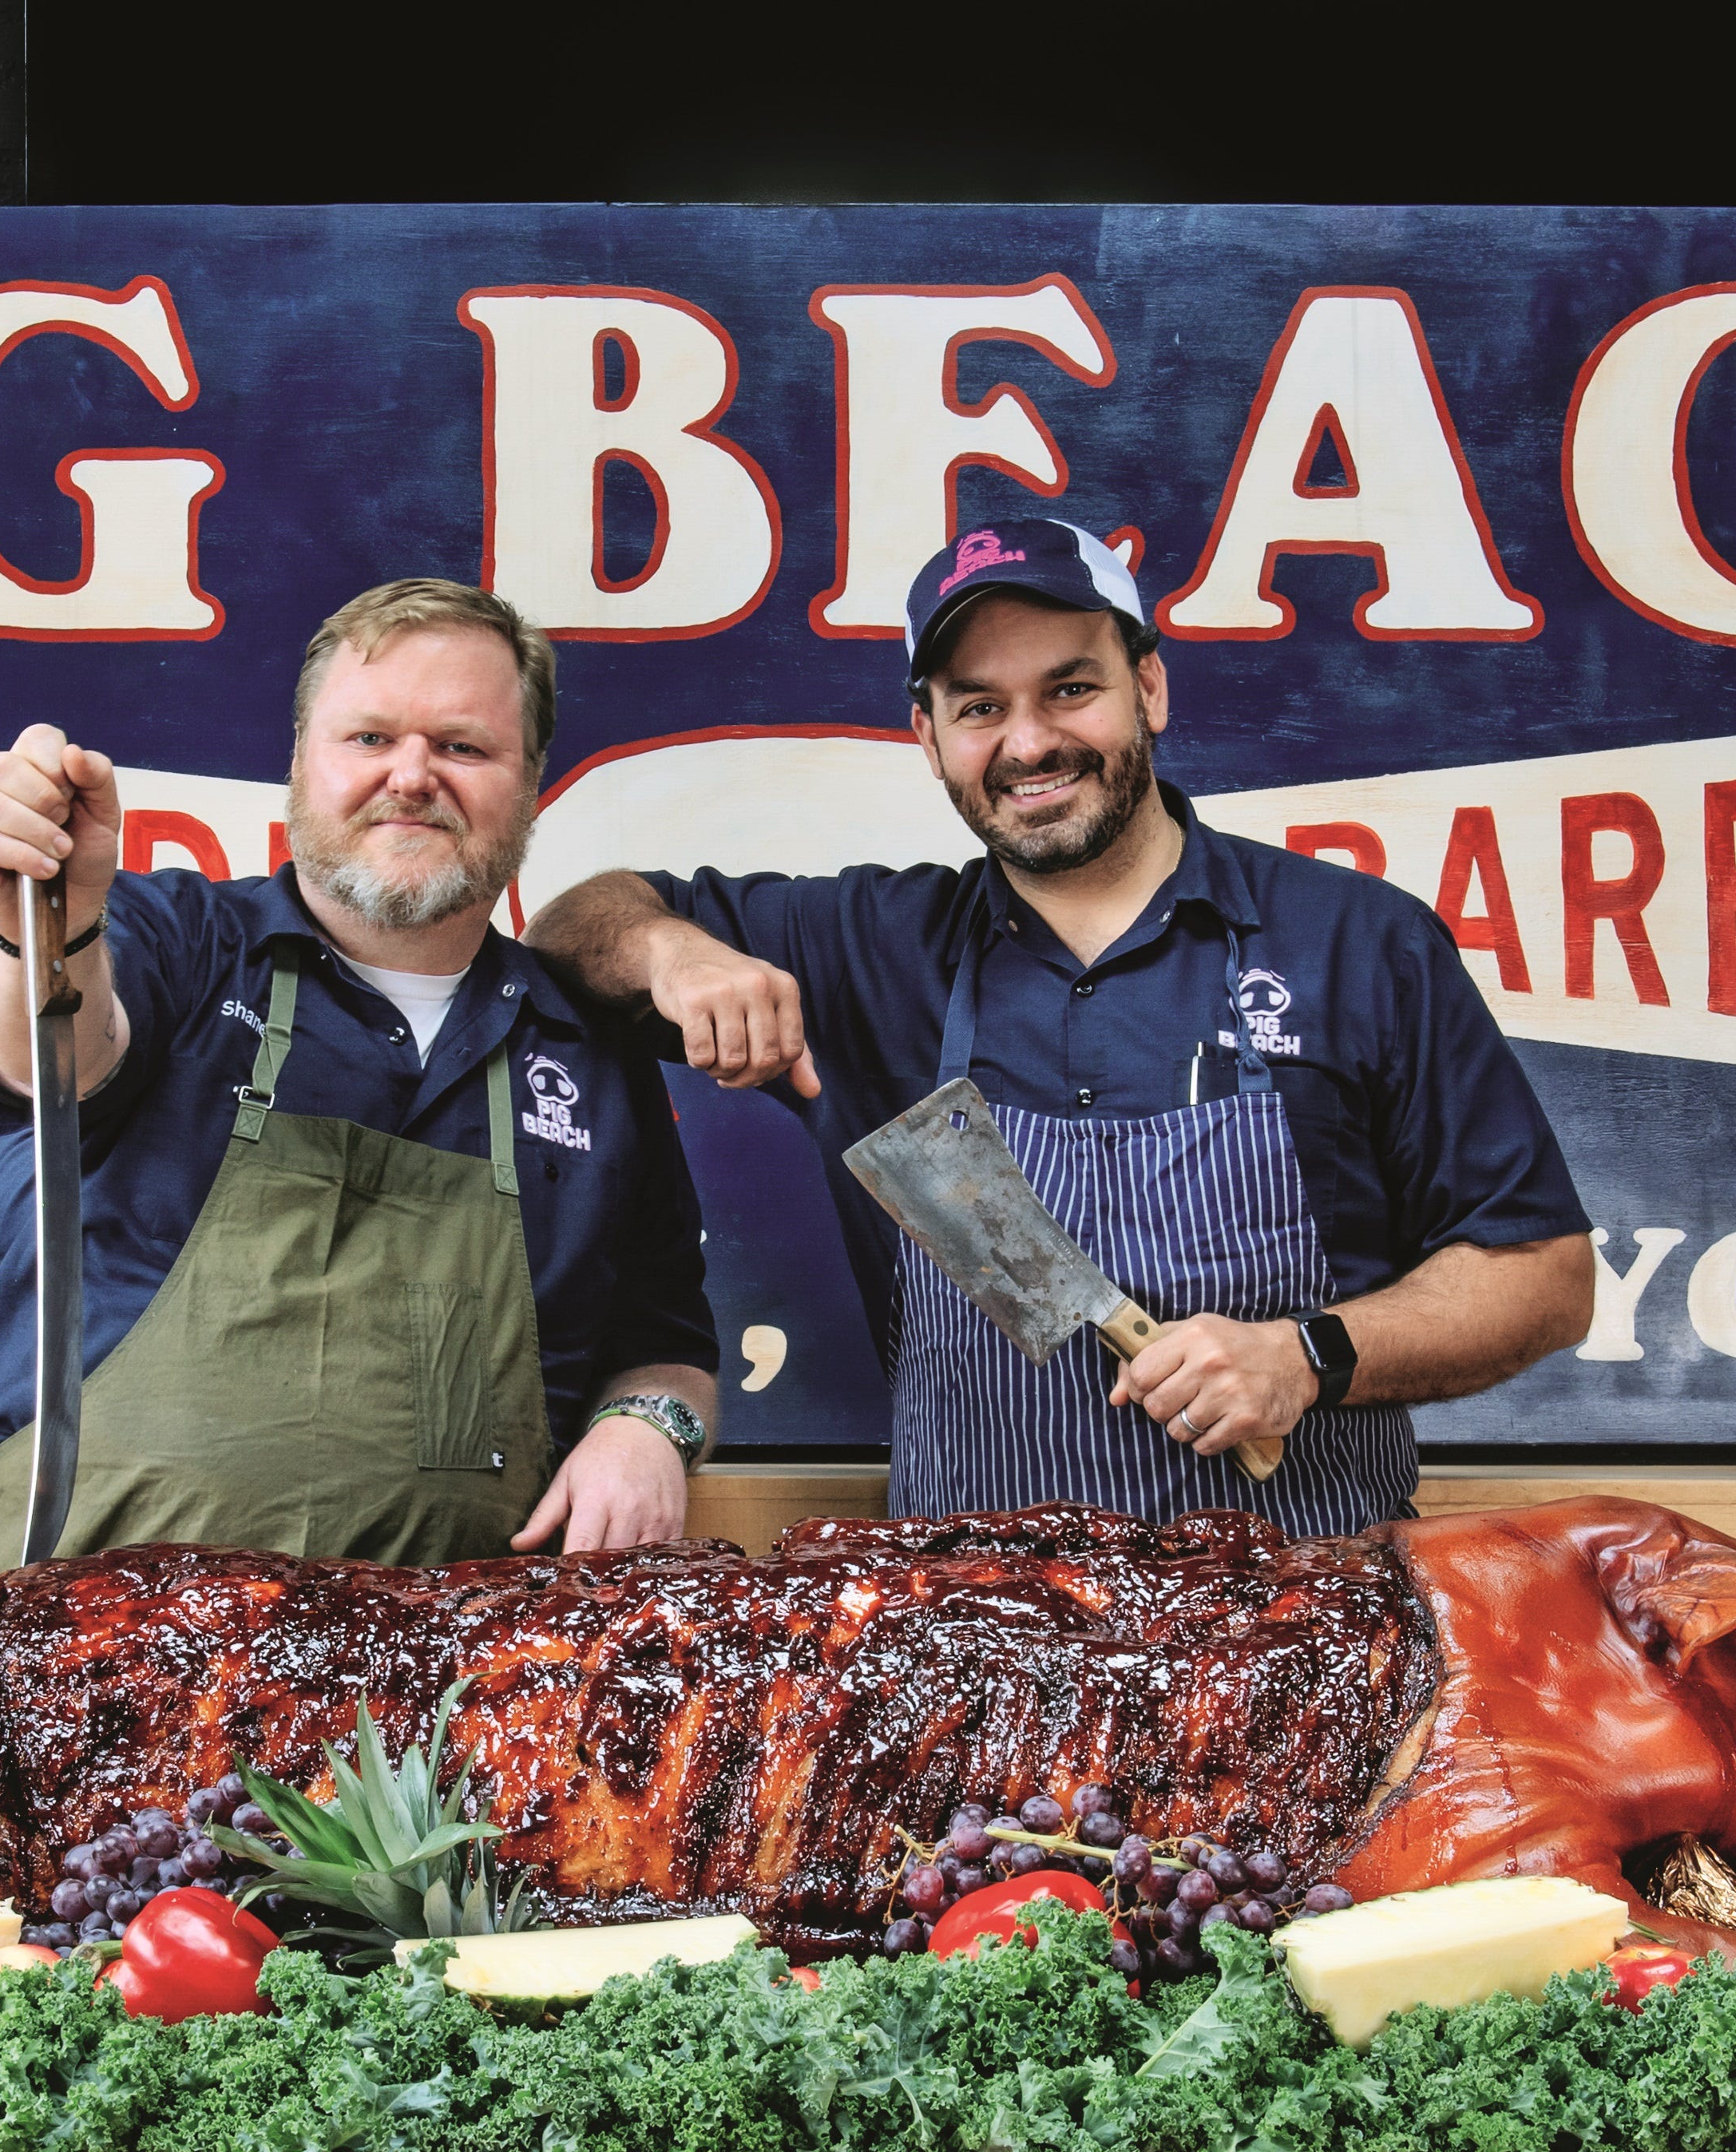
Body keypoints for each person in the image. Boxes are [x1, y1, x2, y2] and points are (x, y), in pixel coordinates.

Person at [531, 518, 1591, 1533]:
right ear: (928, 735)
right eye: (978, 705)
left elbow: (1541, 1274)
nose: (1028, 741)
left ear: (1148, 687)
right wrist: (672, 951)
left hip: (1295, 1636)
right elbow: (577, 923)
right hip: (980, 1657)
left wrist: (1306, 1354)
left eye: (1070, 689)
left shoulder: (1357, 945)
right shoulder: (867, 949)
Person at [0, 577, 720, 1575]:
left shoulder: (584, 1047)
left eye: (463, 747)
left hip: (437, 1690)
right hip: (93, 1650)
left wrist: (645, 1429)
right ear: (300, 762)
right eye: (369, 739)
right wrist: (36, 923)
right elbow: (45, 1058)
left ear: (528, 787)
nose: (412, 776)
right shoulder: (175, 940)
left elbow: (667, 1347)